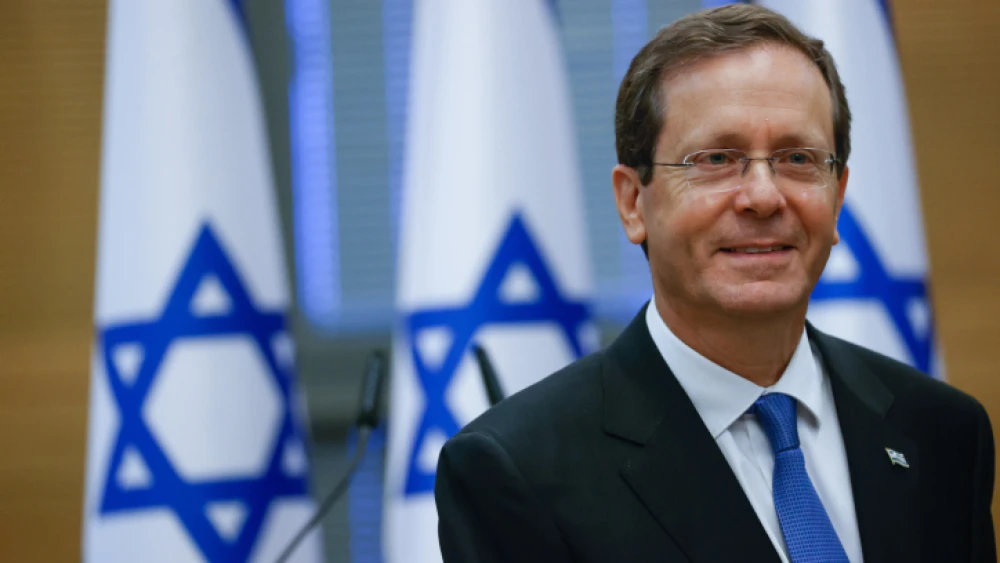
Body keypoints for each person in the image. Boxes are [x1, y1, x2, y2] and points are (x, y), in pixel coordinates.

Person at [434, 4, 996, 562]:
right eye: (717, 159)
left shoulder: (942, 432)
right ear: (633, 203)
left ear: (838, 195)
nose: (763, 196)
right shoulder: (518, 471)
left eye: (798, 158)